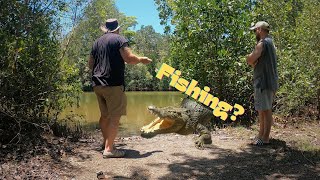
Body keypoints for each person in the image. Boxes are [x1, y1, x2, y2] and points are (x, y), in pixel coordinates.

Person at [88, 18, 152, 158]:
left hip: (97, 84)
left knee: (105, 116)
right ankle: (109, 149)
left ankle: (106, 143)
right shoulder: (119, 39)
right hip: (113, 84)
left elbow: (90, 64)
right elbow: (129, 58)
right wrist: (141, 59)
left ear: (105, 29)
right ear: (117, 28)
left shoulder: (97, 42)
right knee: (115, 118)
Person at [246, 21, 279, 146]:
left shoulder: (262, 44)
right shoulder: (271, 43)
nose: (255, 33)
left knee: (265, 110)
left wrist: (249, 58)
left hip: (263, 82)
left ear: (260, 29)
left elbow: (251, 59)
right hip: (270, 81)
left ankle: (265, 138)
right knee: (263, 109)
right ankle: (261, 135)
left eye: (255, 30)